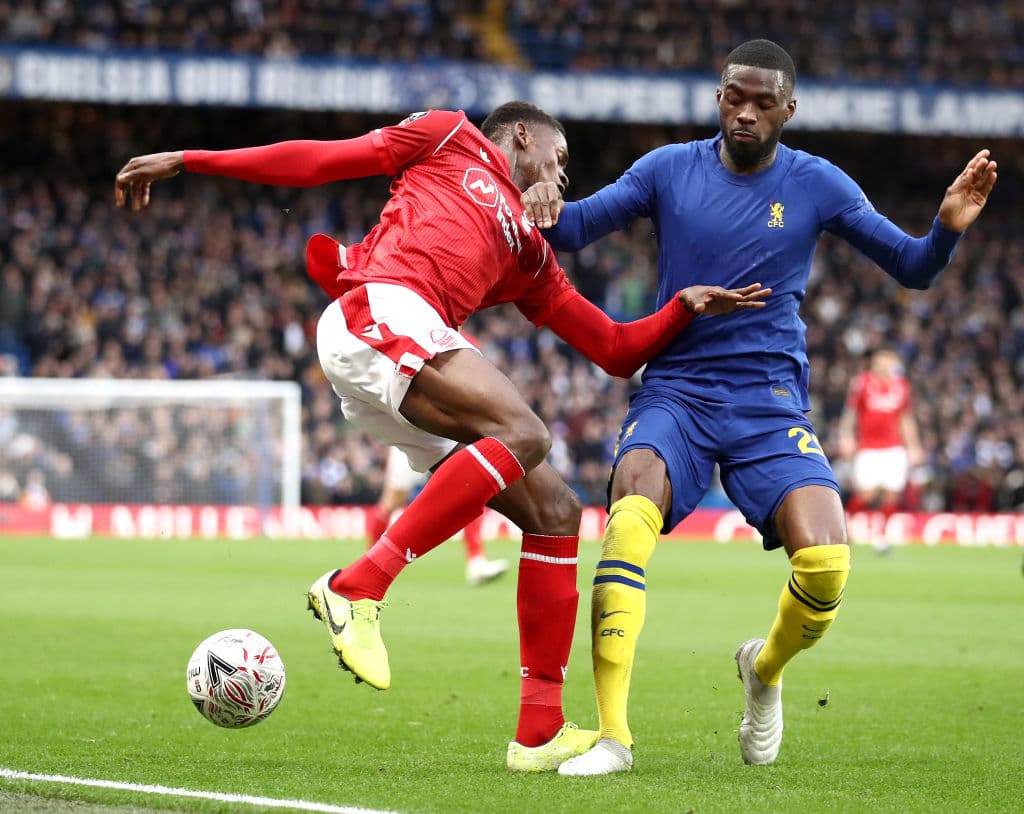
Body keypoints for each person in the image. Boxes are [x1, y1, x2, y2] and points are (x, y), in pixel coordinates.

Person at [114, 101, 770, 771]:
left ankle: (538, 732)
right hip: (378, 309)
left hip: (408, 362)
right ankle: (357, 586)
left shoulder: (530, 252)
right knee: (524, 431)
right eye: (560, 158)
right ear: (522, 134)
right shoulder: (449, 134)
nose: (564, 175)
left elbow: (611, 348)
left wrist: (680, 309)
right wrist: (194, 160)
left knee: (556, 512)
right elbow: (321, 160)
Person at [521, 39, 998, 775]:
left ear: (788, 109)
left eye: (762, 102)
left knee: (828, 564)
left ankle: (765, 670)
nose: (745, 112)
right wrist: (545, 197)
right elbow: (577, 227)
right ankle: (614, 735)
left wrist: (946, 229)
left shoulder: (819, 184)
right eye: (733, 98)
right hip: (677, 389)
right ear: (719, 99)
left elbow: (912, 268)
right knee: (627, 518)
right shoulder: (667, 169)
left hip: (769, 401)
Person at [369, 445, 508, 586]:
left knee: (469, 488)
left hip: (442, 440)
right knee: (392, 501)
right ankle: (372, 565)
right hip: (410, 441)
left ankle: (476, 561)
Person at [837, 347, 923, 552]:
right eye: (881, 359)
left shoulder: (901, 386)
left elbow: (906, 419)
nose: (885, 363)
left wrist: (914, 446)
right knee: (866, 494)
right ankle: (843, 529)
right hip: (868, 448)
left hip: (894, 448)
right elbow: (850, 413)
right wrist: (846, 437)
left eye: (889, 359)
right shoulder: (862, 383)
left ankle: (882, 538)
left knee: (892, 494)